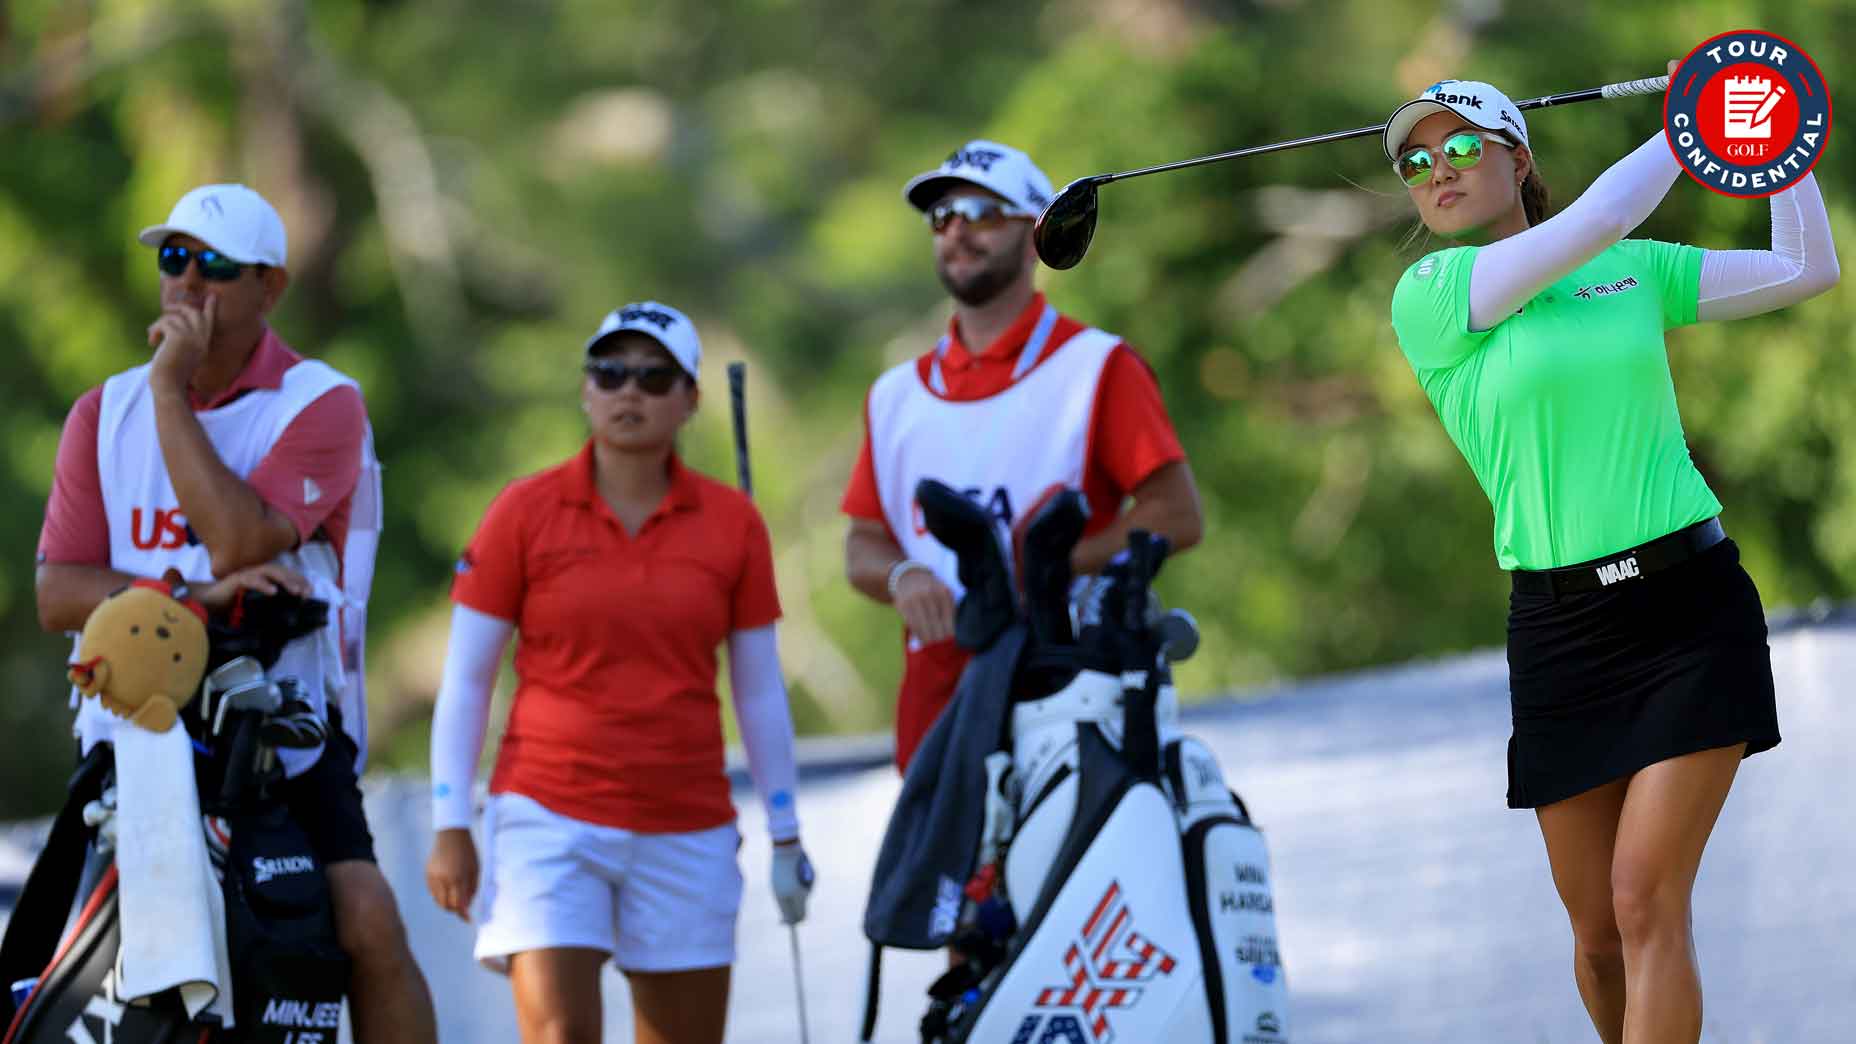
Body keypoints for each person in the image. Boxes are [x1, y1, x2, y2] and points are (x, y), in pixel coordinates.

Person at [1383, 74, 1837, 1044]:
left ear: (1516, 157)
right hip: (1558, 634)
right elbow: (1591, 220)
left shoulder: (1630, 269)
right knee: (1594, 940)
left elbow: (1803, 268)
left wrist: (1778, 133)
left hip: (1687, 612)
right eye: (1414, 162)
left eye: (1459, 146)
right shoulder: (1429, 295)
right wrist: (1696, 117)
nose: (1435, 171)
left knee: (1643, 901)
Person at [34, 183, 438, 1042]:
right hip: (135, 728)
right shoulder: (102, 414)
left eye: (216, 266)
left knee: (366, 921)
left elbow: (237, 543)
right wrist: (180, 601)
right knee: (147, 961)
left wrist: (170, 393)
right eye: (174, 260)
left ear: (271, 289)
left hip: (281, 723)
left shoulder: (322, 402)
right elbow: (55, 592)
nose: (188, 284)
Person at [423, 302, 815, 1044]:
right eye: (610, 373)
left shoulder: (733, 523)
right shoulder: (523, 511)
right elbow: (468, 678)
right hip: (547, 811)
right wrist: (451, 823)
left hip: (685, 823)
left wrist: (787, 833)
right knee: (561, 1034)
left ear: (691, 399)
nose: (628, 391)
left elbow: (758, 689)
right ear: (585, 390)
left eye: (653, 376)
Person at [841, 139, 1205, 773]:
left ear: (1036, 229)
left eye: (981, 214)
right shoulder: (893, 395)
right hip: (936, 708)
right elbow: (862, 544)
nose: (957, 230)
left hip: (1071, 687)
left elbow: (1177, 515)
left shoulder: (1098, 366)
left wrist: (1055, 564)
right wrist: (904, 577)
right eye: (942, 216)